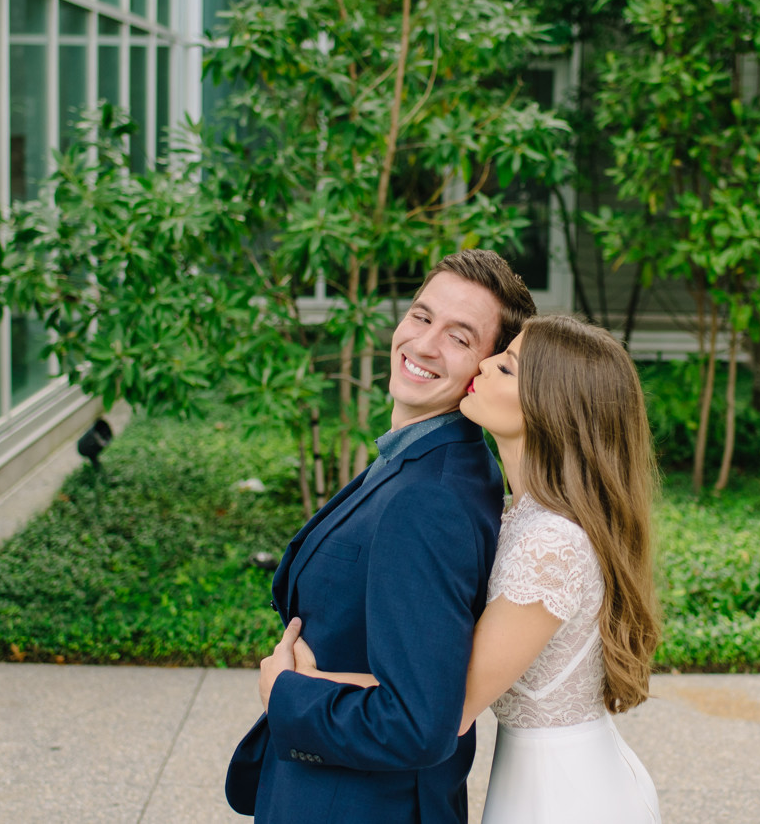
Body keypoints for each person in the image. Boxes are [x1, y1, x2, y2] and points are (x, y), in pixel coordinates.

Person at [280, 314, 662, 824]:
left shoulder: (552, 544)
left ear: (550, 407)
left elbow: (446, 705)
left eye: (506, 367)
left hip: (563, 794)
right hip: (533, 773)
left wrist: (303, 685)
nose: (483, 363)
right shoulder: (516, 512)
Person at [225, 249, 537, 823]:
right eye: (422, 317)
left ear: (485, 372)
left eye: (460, 338)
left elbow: (418, 723)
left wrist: (287, 693)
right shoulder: (415, 461)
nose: (423, 344)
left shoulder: (431, 500)